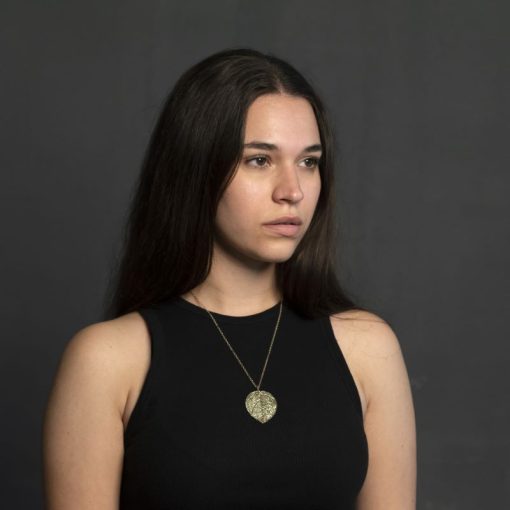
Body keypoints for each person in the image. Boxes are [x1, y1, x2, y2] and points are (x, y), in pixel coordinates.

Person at [42, 48, 416, 509]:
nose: (292, 191)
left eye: (309, 162)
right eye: (259, 160)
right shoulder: (108, 360)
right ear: (195, 169)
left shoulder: (367, 349)